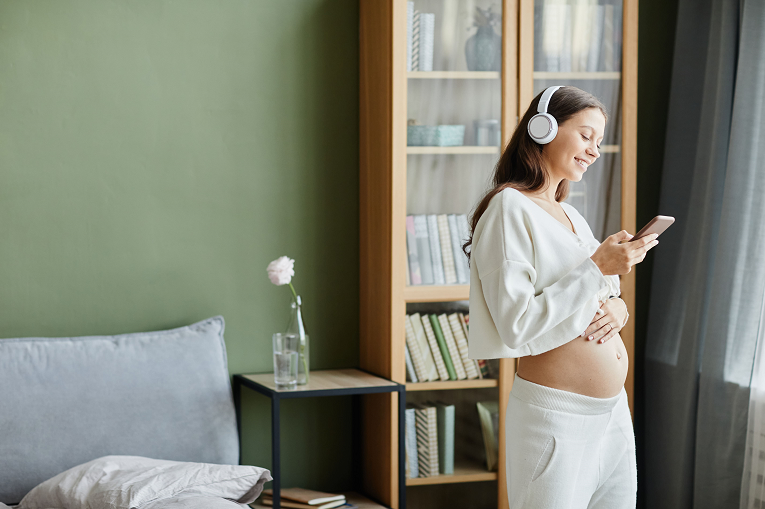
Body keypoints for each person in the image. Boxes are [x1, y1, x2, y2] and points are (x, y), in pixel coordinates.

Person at [464, 86, 657, 509]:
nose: (594, 151)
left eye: (599, 142)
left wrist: (619, 308)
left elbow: (599, 293)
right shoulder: (508, 208)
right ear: (543, 128)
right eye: (586, 136)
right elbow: (516, 325)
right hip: (555, 420)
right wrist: (597, 268)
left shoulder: (569, 214)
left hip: (611, 416)